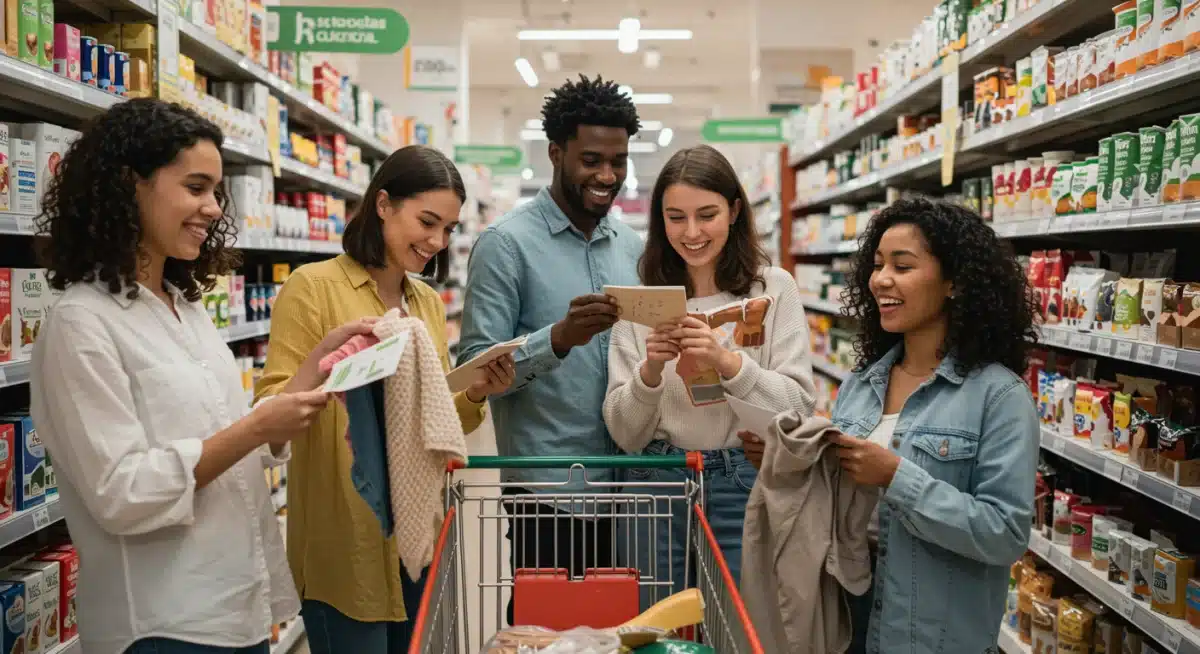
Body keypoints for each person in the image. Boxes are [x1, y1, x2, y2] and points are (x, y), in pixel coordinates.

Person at [27, 99, 344, 654]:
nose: (212, 207)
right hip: (161, 624)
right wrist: (253, 430)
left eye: (217, 192)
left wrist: (314, 370)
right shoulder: (81, 323)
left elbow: (221, 431)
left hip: (233, 607)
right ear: (131, 185)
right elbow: (120, 491)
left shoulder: (183, 308)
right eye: (196, 187)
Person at [255, 145, 515, 653]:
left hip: (415, 534)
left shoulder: (425, 304)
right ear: (382, 205)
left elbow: (435, 420)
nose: (437, 241)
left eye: (448, 229)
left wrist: (476, 391)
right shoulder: (312, 289)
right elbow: (273, 411)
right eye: (427, 221)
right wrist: (339, 366)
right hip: (343, 540)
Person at [457, 74, 643, 623]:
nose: (607, 175)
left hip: (630, 484)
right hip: (548, 488)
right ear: (556, 153)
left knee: (615, 625)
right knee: (548, 626)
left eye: (618, 160)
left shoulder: (631, 246)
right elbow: (475, 372)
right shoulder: (505, 245)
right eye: (591, 159)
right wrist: (556, 339)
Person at [602, 145, 816, 595]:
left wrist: (728, 363)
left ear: (735, 210)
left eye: (707, 214)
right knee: (657, 624)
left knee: (739, 625)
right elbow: (625, 434)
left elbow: (797, 407)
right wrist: (651, 371)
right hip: (654, 483)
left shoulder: (773, 289)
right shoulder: (641, 301)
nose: (692, 232)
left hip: (743, 479)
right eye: (675, 217)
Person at [831, 198, 1038, 653]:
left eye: (902, 266)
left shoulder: (999, 397)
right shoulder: (861, 384)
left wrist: (895, 477)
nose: (881, 278)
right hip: (846, 616)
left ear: (954, 283)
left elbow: (1004, 534)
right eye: (878, 263)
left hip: (928, 634)